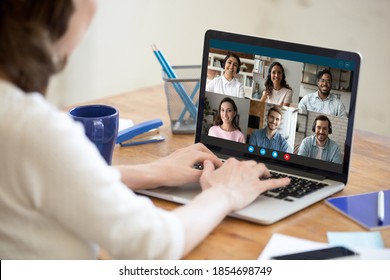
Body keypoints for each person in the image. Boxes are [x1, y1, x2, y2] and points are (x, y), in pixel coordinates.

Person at [0, 0, 290, 259]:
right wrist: (225, 193)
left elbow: (46, 179)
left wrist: (148, 172)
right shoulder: (33, 129)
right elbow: (153, 244)